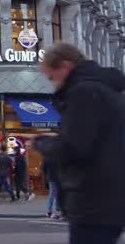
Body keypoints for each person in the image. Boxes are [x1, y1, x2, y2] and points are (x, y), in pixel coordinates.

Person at [34, 43, 125, 244]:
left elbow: (75, 148)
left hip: (92, 201)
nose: (54, 84)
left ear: (65, 66)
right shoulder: (107, 90)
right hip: (109, 200)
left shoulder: (83, 92)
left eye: (52, 77)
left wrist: (41, 142)